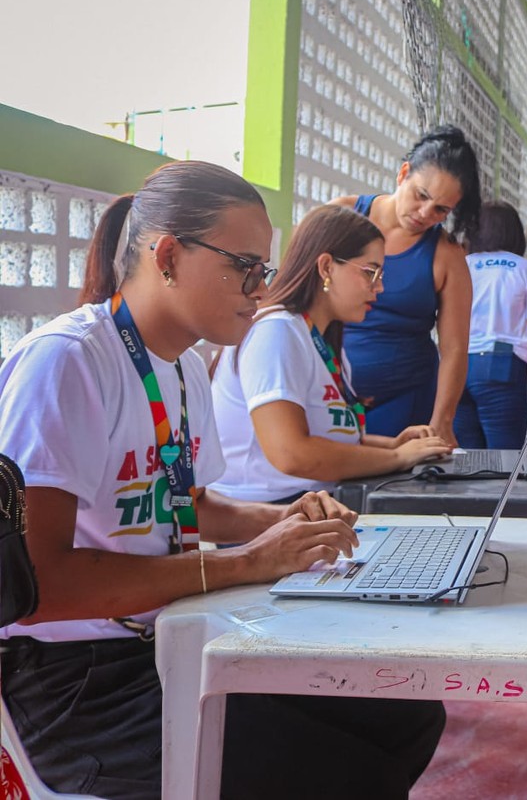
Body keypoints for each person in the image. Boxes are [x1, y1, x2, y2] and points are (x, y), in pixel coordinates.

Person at [0, 161, 445, 799]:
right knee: (355, 776)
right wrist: (246, 563)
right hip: (76, 681)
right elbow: (38, 584)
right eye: (244, 267)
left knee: (408, 716)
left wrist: (285, 521)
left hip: (167, 640)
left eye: (263, 269)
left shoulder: (184, 368)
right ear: (168, 257)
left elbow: (192, 504)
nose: (260, 289)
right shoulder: (67, 362)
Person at [210, 205, 453, 504]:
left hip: (308, 501)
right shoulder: (277, 332)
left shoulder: (322, 339)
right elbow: (292, 454)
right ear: (326, 267)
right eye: (370, 272)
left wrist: (391, 446)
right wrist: (398, 458)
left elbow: (328, 436)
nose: (380, 287)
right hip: (266, 511)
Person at [331, 125, 480, 446]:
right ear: (403, 174)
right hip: (328, 394)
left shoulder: (447, 255)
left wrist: (442, 421)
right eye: (421, 195)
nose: (424, 213)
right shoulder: (338, 217)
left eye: (441, 209)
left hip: (406, 401)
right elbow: (292, 298)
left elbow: (454, 348)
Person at [456, 201, 527, 449]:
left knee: (467, 458)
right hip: (502, 366)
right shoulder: (525, 270)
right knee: (504, 458)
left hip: (457, 367)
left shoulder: (461, 265)